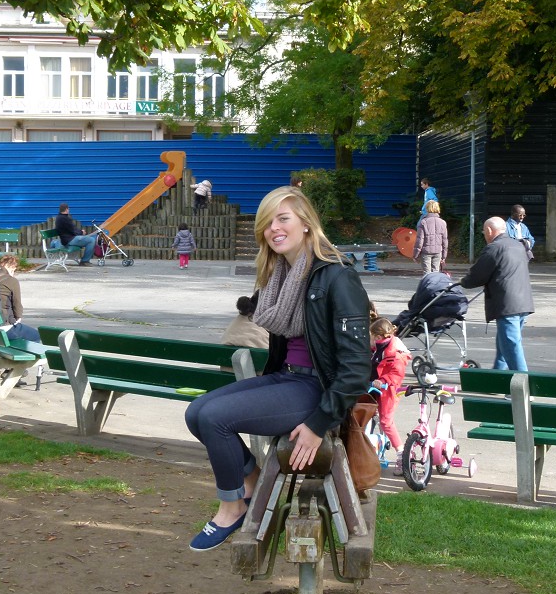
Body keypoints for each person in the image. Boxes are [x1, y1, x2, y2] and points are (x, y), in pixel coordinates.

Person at [184, 186, 371, 551]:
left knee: (215, 418)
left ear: (306, 223)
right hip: (286, 377)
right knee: (196, 413)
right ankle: (251, 479)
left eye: (283, 219)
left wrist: (319, 423)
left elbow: (356, 367)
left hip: (316, 390)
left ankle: (231, 507)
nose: (274, 229)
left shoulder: (337, 276)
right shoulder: (280, 275)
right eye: (267, 223)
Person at [460, 216, 534, 371]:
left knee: (511, 346)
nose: (484, 235)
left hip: (507, 304)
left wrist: (464, 282)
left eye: (483, 232)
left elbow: (477, 275)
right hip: (524, 302)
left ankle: (524, 382)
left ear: (489, 230)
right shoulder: (518, 245)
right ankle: (497, 377)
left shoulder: (494, 248)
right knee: (504, 345)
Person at [0, 253, 44, 353]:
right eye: (14, 271)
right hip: (4, 328)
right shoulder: (11, 281)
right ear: (11, 267)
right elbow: (17, 309)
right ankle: (20, 361)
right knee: (35, 335)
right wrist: (16, 320)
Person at [369, 317, 410, 474]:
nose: (370, 340)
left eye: (371, 337)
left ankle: (401, 454)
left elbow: (396, 373)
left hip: (388, 390)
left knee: (386, 422)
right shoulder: (379, 347)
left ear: (378, 337)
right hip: (372, 386)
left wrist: (382, 380)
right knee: (364, 413)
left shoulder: (395, 352)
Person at [413, 199, 448, 275]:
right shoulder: (443, 222)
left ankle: (428, 283)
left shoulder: (423, 222)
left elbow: (420, 240)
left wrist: (415, 255)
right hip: (438, 251)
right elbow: (445, 241)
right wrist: (444, 256)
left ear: (427, 208)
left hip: (426, 252)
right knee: (436, 273)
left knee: (427, 273)